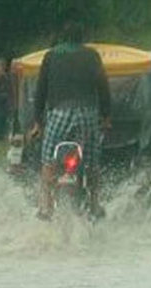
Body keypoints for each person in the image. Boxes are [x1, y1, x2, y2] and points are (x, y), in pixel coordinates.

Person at [30, 22, 112, 220]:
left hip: (59, 113)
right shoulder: (92, 55)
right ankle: (94, 203)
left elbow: (41, 90)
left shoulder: (50, 56)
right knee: (92, 160)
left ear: (62, 38)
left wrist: (37, 122)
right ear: (82, 38)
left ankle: (46, 206)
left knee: (48, 159)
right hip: (87, 114)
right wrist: (106, 117)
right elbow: (103, 88)